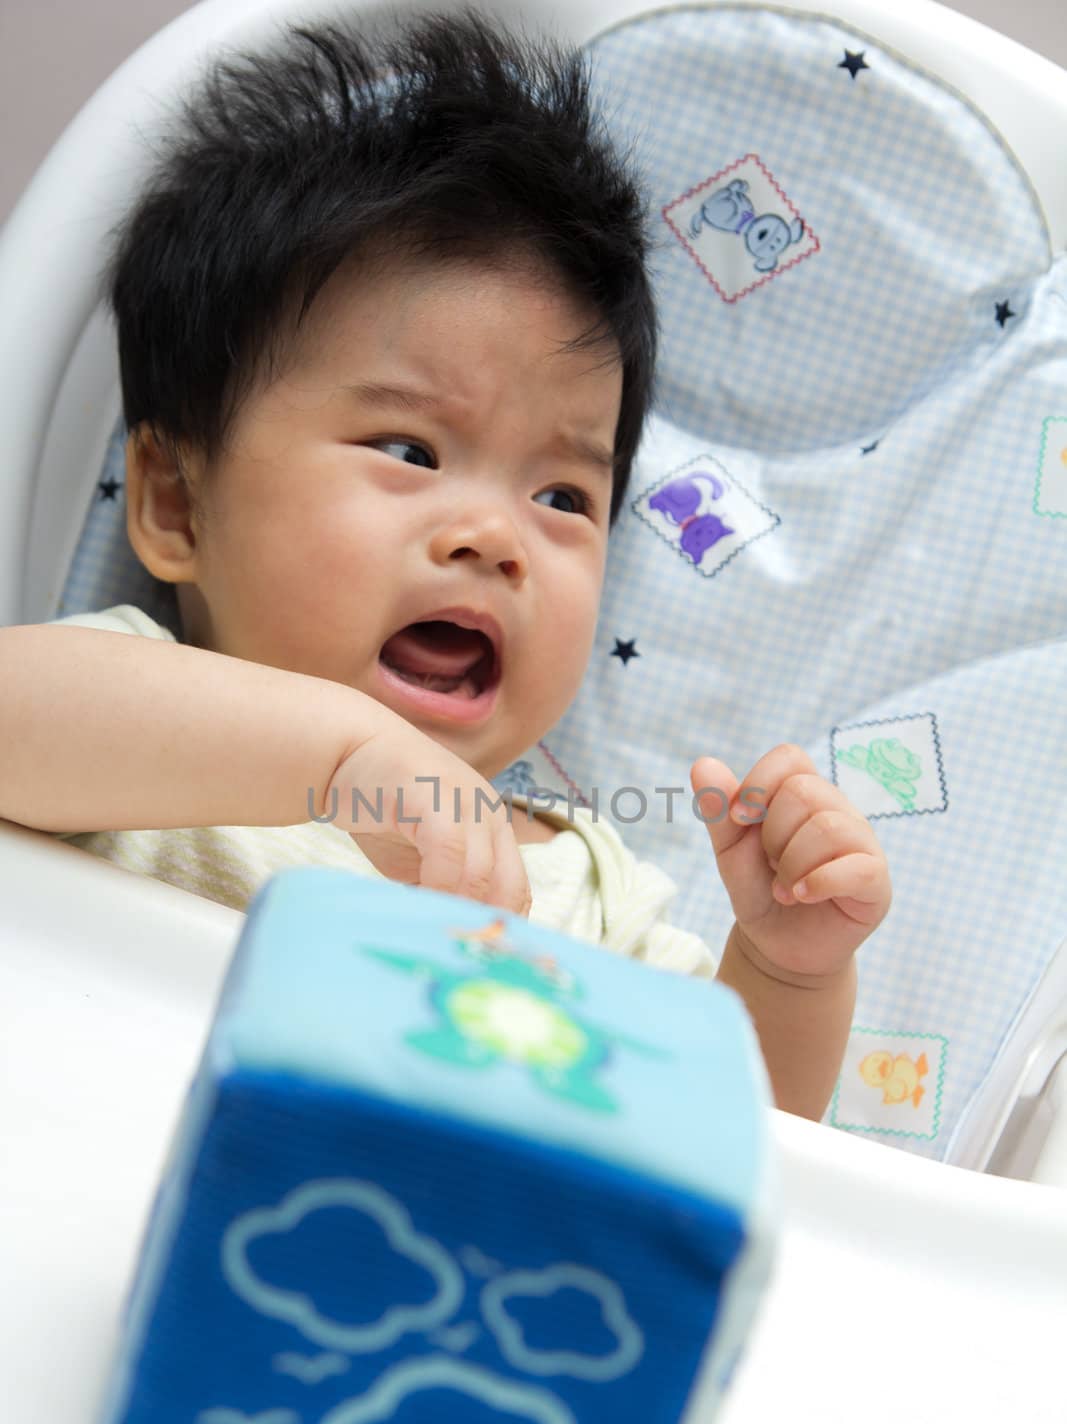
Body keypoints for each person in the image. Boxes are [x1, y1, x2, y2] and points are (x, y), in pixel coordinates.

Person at [0, 10, 890, 1120]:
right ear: (178, 502)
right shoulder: (128, 723)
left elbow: (719, 1144)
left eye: (561, 496)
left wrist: (787, 974)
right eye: (408, 449)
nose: (493, 537)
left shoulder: (584, 889)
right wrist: (338, 753)